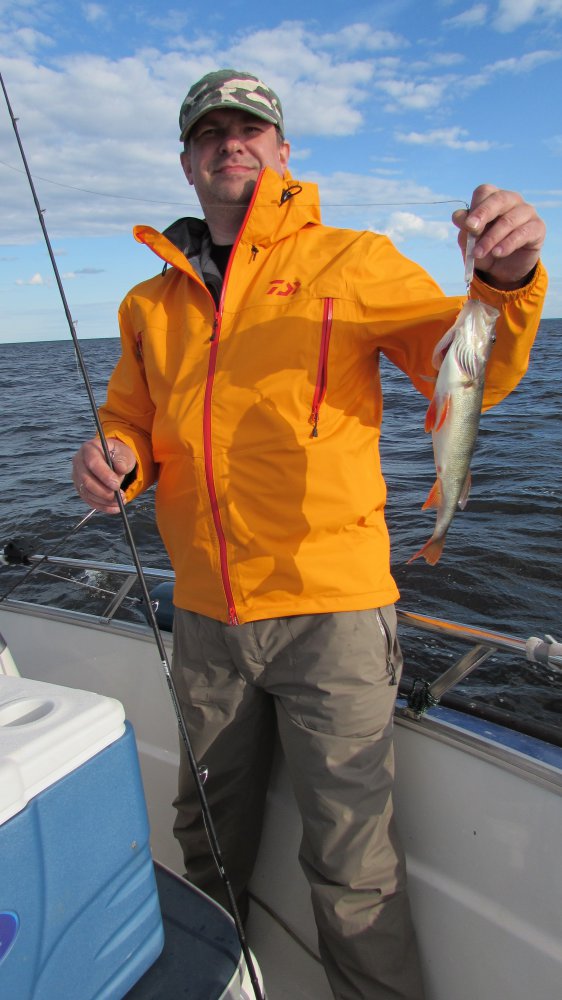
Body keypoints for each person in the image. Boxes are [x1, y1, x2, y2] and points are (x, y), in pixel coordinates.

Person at [72, 69, 547, 1000]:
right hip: (204, 618)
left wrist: (507, 279)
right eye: (210, 132)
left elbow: (469, 372)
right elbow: (133, 419)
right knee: (205, 840)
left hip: (334, 614)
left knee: (352, 867)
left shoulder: (355, 260)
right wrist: (114, 454)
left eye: (250, 128)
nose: (231, 142)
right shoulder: (147, 304)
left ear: (283, 152)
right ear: (186, 162)